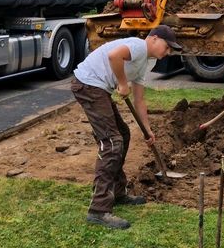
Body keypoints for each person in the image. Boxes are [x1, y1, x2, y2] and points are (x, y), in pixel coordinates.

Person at [71, 25, 184, 229]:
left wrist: (147, 129)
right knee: (112, 142)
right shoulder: (139, 46)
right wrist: (123, 83)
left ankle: (117, 191)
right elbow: (115, 55)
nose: (167, 53)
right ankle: (98, 209)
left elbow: (139, 100)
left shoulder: (146, 62)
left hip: (97, 88)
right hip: (88, 85)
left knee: (123, 133)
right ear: (155, 39)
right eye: (167, 47)